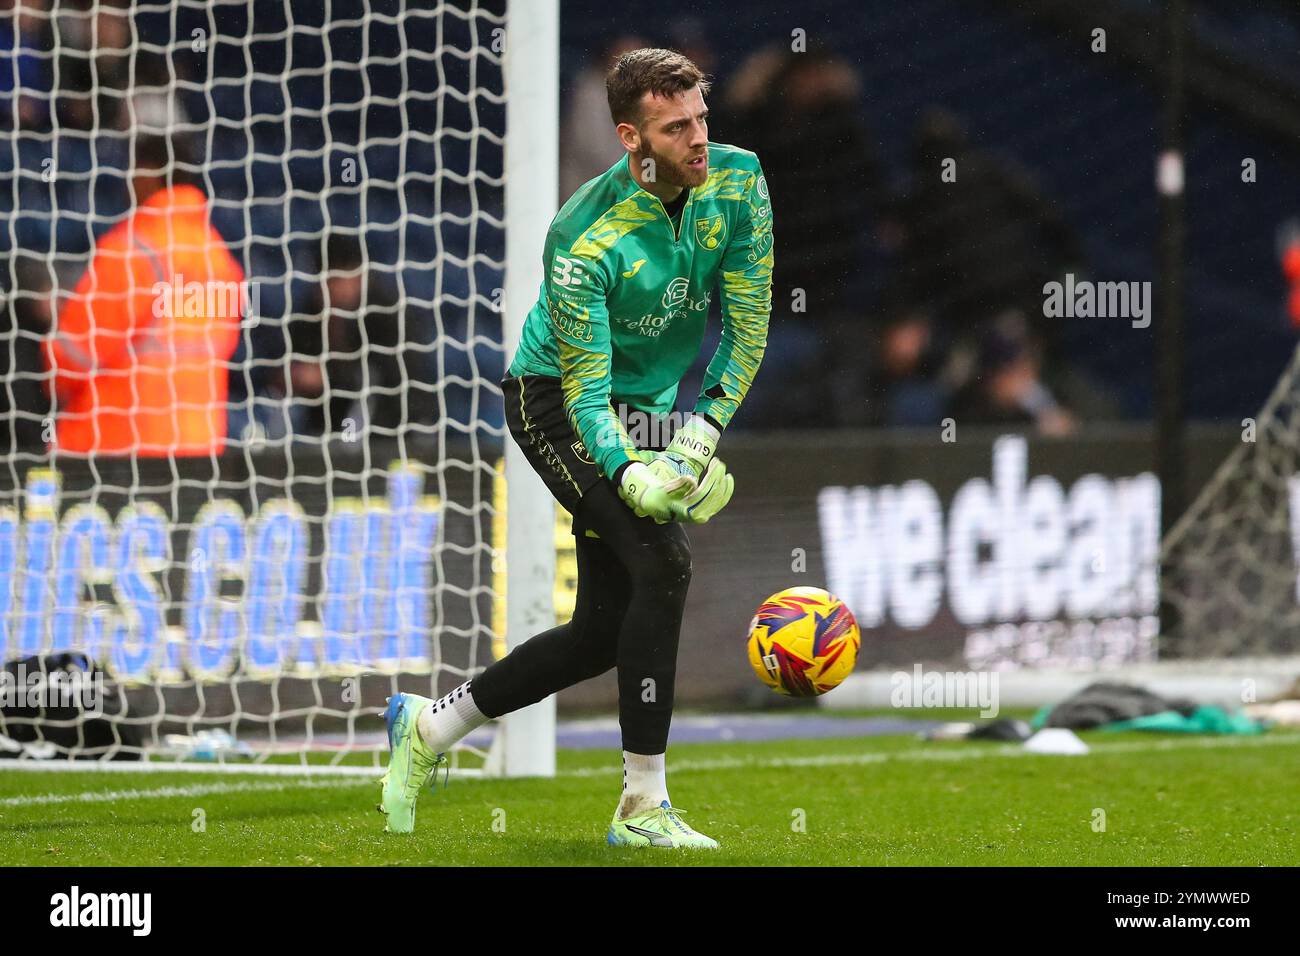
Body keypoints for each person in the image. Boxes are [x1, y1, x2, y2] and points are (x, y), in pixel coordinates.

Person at [378, 48, 773, 848]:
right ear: (631, 137)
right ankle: (641, 808)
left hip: (647, 406)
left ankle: (429, 729)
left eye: (701, 116)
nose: (698, 137)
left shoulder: (741, 182)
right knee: (664, 563)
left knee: (599, 629)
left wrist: (696, 438)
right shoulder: (582, 234)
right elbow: (587, 396)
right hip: (554, 403)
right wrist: (632, 472)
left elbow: (747, 324)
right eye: (675, 127)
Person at [43, 134, 244, 456]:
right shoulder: (218, 257)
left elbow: (71, 357)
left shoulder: (133, 250)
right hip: (200, 447)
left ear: (149, 172)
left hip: (117, 446)